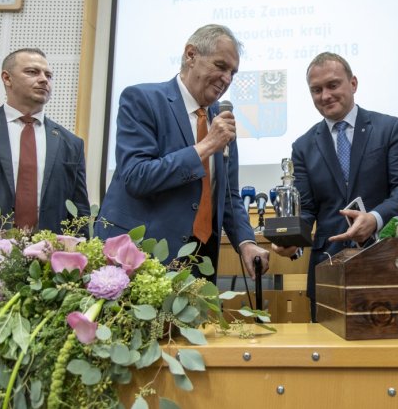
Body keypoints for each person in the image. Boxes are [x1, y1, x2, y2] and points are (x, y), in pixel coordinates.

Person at [96, 24, 269, 279]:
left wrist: (246, 242)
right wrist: (207, 145)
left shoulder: (220, 122)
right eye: (221, 66)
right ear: (191, 55)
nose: (227, 79)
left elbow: (229, 196)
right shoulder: (142, 99)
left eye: (233, 72)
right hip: (138, 257)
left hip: (200, 263)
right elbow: (136, 176)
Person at [273, 52, 398, 320]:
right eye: (316, 90)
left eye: (333, 85)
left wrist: (375, 219)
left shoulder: (390, 129)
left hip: (386, 262)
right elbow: (306, 210)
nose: (325, 95)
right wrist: (292, 242)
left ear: (353, 83)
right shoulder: (303, 146)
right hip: (327, 270)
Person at [0, 48, 90, 233]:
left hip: (47, 256)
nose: (43, 79)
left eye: (48, 75)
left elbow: (79, 213)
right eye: (32, 72)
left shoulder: (71, 143)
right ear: (7, 78)